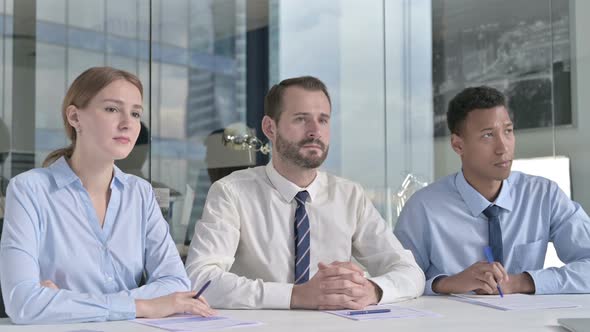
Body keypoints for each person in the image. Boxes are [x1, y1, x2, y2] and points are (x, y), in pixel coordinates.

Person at [185, 76, 424, 310]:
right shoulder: (231, 192)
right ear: (270, 127)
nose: (314, 131)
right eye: (301, 119)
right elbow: (201, 279)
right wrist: (295, 296)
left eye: (323, 120)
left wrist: (371, 290)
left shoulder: (350, 196)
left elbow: (411, 273)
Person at [0, 66, 215, 324]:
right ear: (74, 117)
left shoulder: (141, 194)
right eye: (112, 109)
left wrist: (67, 303)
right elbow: (23, 303)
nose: (128, 123)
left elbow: (176, 283)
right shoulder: (29, 190)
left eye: (136, 113)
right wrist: (147, 305)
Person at [394, 86, 590, 296]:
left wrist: (522, 281)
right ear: (458, 145)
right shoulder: (423, 207)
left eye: (508, 131)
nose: (503, 147)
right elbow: (397, 280)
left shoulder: (543, 196)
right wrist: (448, 283)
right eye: (488, 135)